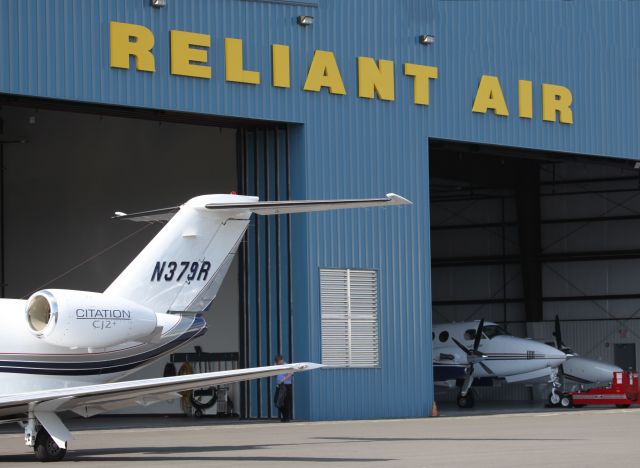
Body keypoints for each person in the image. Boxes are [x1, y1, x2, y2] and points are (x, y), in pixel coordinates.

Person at [274, 354, 293, 422]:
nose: (278, 363)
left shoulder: (287, 366)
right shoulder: (276, 366)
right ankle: (284, 416)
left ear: (281, 360)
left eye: (278, 362)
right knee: (277, 401)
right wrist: (275, 367)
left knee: (286, 402)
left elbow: (290, 374)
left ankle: (286, 417)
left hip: (286, 385)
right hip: (279, 385)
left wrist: (283, 379)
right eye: (277, 362)